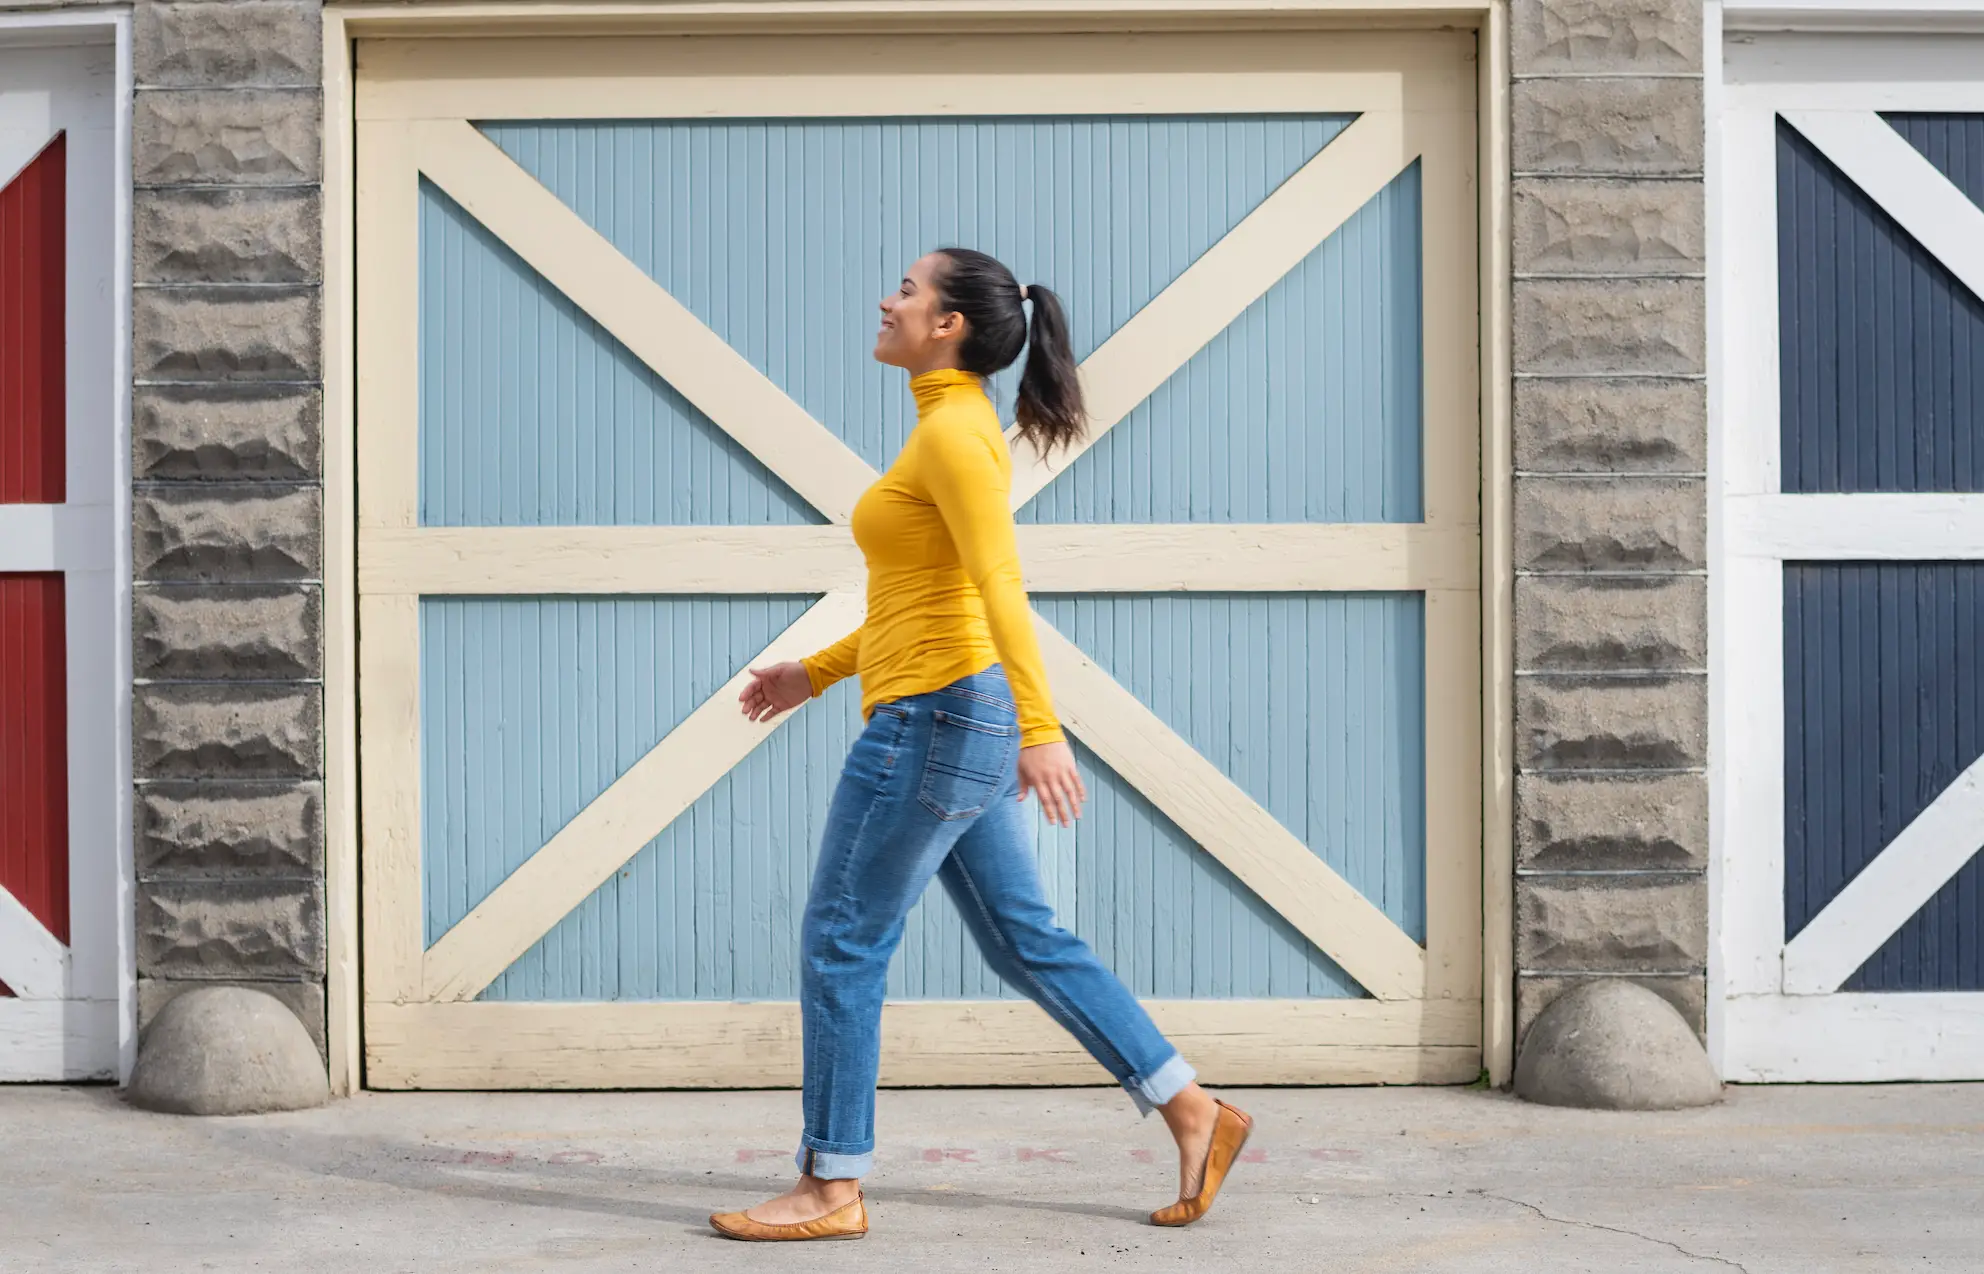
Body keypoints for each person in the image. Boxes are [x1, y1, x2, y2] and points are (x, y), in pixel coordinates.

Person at [709, 248, 1252, 1242]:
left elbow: (1000, 585)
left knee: (841, 938)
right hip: (951, 708)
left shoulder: (957, 436)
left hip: (935, 719)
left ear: (950, 323)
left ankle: (831, 1182)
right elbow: (930, 599)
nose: (887, 298)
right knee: (1022, 937)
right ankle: (1191, 1106)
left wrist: (1040, 730)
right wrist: (814, 671)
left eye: (908, 289)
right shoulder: (943, 430)